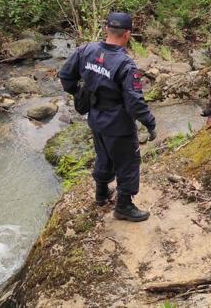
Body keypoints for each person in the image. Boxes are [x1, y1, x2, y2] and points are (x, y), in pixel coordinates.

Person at [58, 12, 156, 222]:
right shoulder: (125, 64)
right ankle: (124, 206)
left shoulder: (86, 50)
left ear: (107, 30)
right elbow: (135, 101)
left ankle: (101, 193)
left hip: (95, 117)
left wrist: (81, 93)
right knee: (128, 162)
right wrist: (150, 123)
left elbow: (66, 76)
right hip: (118, 124)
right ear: (127, 34)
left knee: (103, 154)